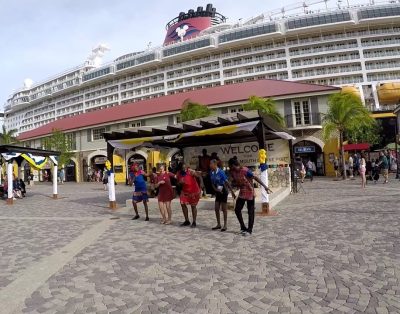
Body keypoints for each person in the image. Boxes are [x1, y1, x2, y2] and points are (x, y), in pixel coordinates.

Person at [228, 158, 271, 236]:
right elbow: (235, 181)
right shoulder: (233, 172)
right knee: (237, 210)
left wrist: (265, 187)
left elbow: (255, 178)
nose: (229, 168)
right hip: (242, 192)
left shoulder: (245, 170)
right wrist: (233, 186)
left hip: (250, 192)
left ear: (233, 165)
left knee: (250, 211)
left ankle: (249, 230)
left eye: (230, 166)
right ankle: (243, 227)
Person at [210, 159, 235, 232]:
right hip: (218, 191)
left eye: (211, 164)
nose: (210, 165)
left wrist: (232, 192)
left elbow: (226, 182)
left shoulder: (221, 172)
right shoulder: (211, 172)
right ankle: (218, 224)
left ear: (215, 164)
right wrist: (216, 190)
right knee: (216, 208)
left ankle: (225, 225)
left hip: (224, 190)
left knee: (224, 209)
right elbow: (212, 183)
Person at [176, 162, 202, 228]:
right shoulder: (178, 174)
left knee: (193, 206)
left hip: (193, 191)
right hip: (185, 191)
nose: (184, 169)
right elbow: (178, 183)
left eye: (185, 167)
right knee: (182, 203)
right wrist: (180, 182)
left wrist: (201, 183)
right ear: (180, 168)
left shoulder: (190, 171)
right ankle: (187, 220)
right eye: (182, 168)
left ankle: (194, 221)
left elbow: (198, 175)